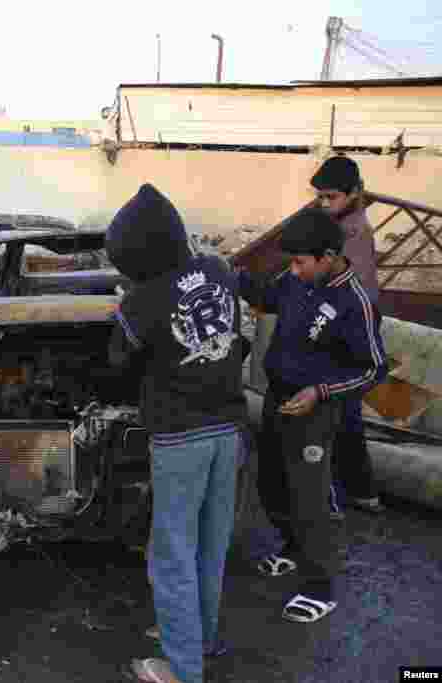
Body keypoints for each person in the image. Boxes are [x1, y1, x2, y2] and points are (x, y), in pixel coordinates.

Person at [107, 184, 248, 683]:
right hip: (229, 428)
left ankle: (181, 669)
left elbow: (118, 367)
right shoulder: (219, 271)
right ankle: (201, 639)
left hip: (179, 437)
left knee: (171, 554)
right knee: (211, 544)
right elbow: (241, 339)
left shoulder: (141, 300)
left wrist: (124, 313)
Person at [238, 207, 386, 624]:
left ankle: (321, 585)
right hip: (279, 397)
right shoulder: (296, 278)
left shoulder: (354, 301)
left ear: (328, 256)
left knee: (312, 498)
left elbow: (374, 369)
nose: (294, 269)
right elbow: (268, 297)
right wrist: (230, 275)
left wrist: (320, 391)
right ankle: (292, 546)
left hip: (316, 409)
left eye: (301, 261)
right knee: (270, 481)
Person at [311, 155, 386, 516]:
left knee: (344, 414)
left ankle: (356, 491)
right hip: (344, 326)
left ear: (354, 193)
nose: (324, 204)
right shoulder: (340, 222)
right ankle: (355, 490)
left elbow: (354, 292)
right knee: (342, 414)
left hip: (350, 330)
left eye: (331, 198)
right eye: (320, 197)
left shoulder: (354, 233)